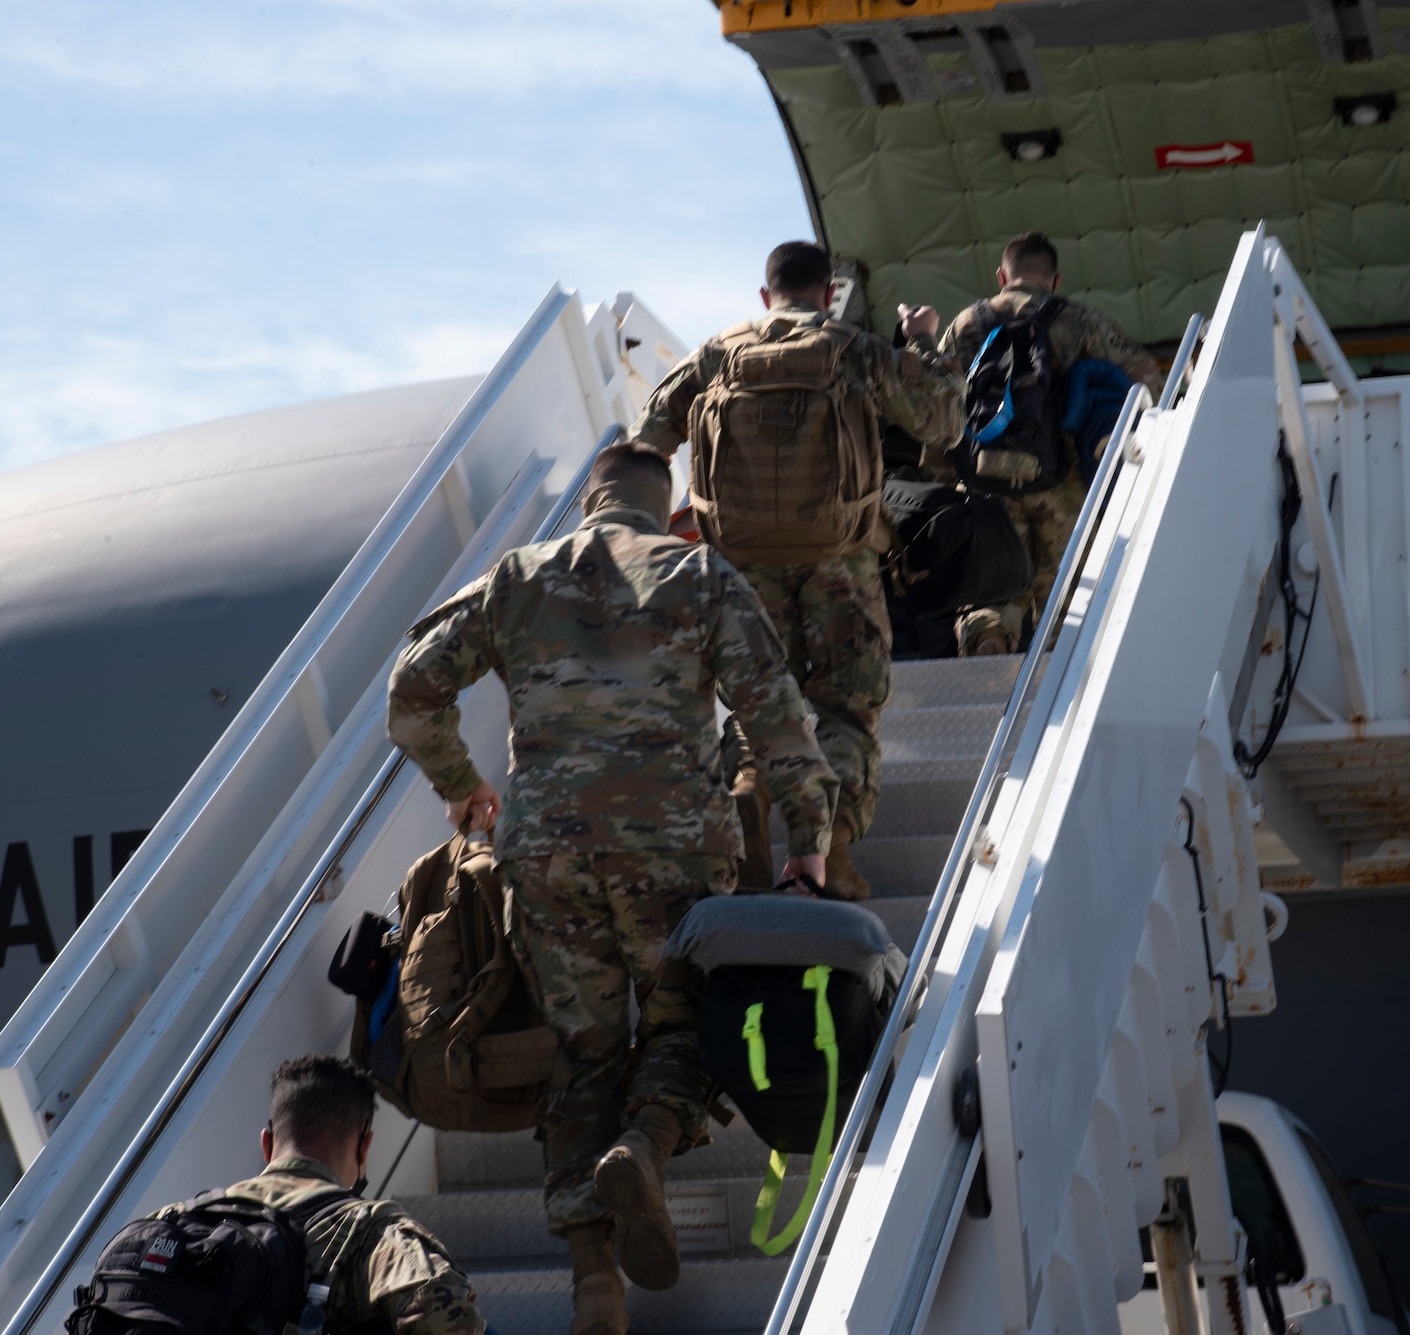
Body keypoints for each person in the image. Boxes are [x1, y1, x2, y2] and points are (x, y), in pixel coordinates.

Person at [388, 442, 839, 1335]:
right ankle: (646, 1143)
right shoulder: (700, 572)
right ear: (665, 507)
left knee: (585, 1048)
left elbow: (411, 690)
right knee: (686, 1023)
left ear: (589, 503)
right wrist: (809, 839)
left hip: (548, 853)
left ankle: (596, 1279)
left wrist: (460, 782)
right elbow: (776, 714)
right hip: (673, 848)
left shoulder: (517, 577)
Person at [630, 240, 963, 901]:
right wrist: (924, 343)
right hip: (841, 562)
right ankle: (831, 856)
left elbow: (647, 441)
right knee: (842, 707)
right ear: (827, 293)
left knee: (758, 708)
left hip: (741, 569)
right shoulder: (851, 345)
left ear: (766, 296)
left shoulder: (718, 352)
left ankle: (749, 799)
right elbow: (943, 419)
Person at [937, 231, 1164, 657]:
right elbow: (1148, 382)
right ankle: (1065, 687)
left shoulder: (966, 323)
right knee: (1071, 591)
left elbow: (939, 400)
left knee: (991, 586)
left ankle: (989, 645)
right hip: (1063, 483)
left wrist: (943, 477)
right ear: (1055, 280)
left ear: (1002, 275)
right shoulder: (1080, 321)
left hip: (985, 480)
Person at [175, 1055, 484, 1334]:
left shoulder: (177, 1219)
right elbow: (445, 1314)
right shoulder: (370, 1231)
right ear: (364, 1147)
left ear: (267, 1144)